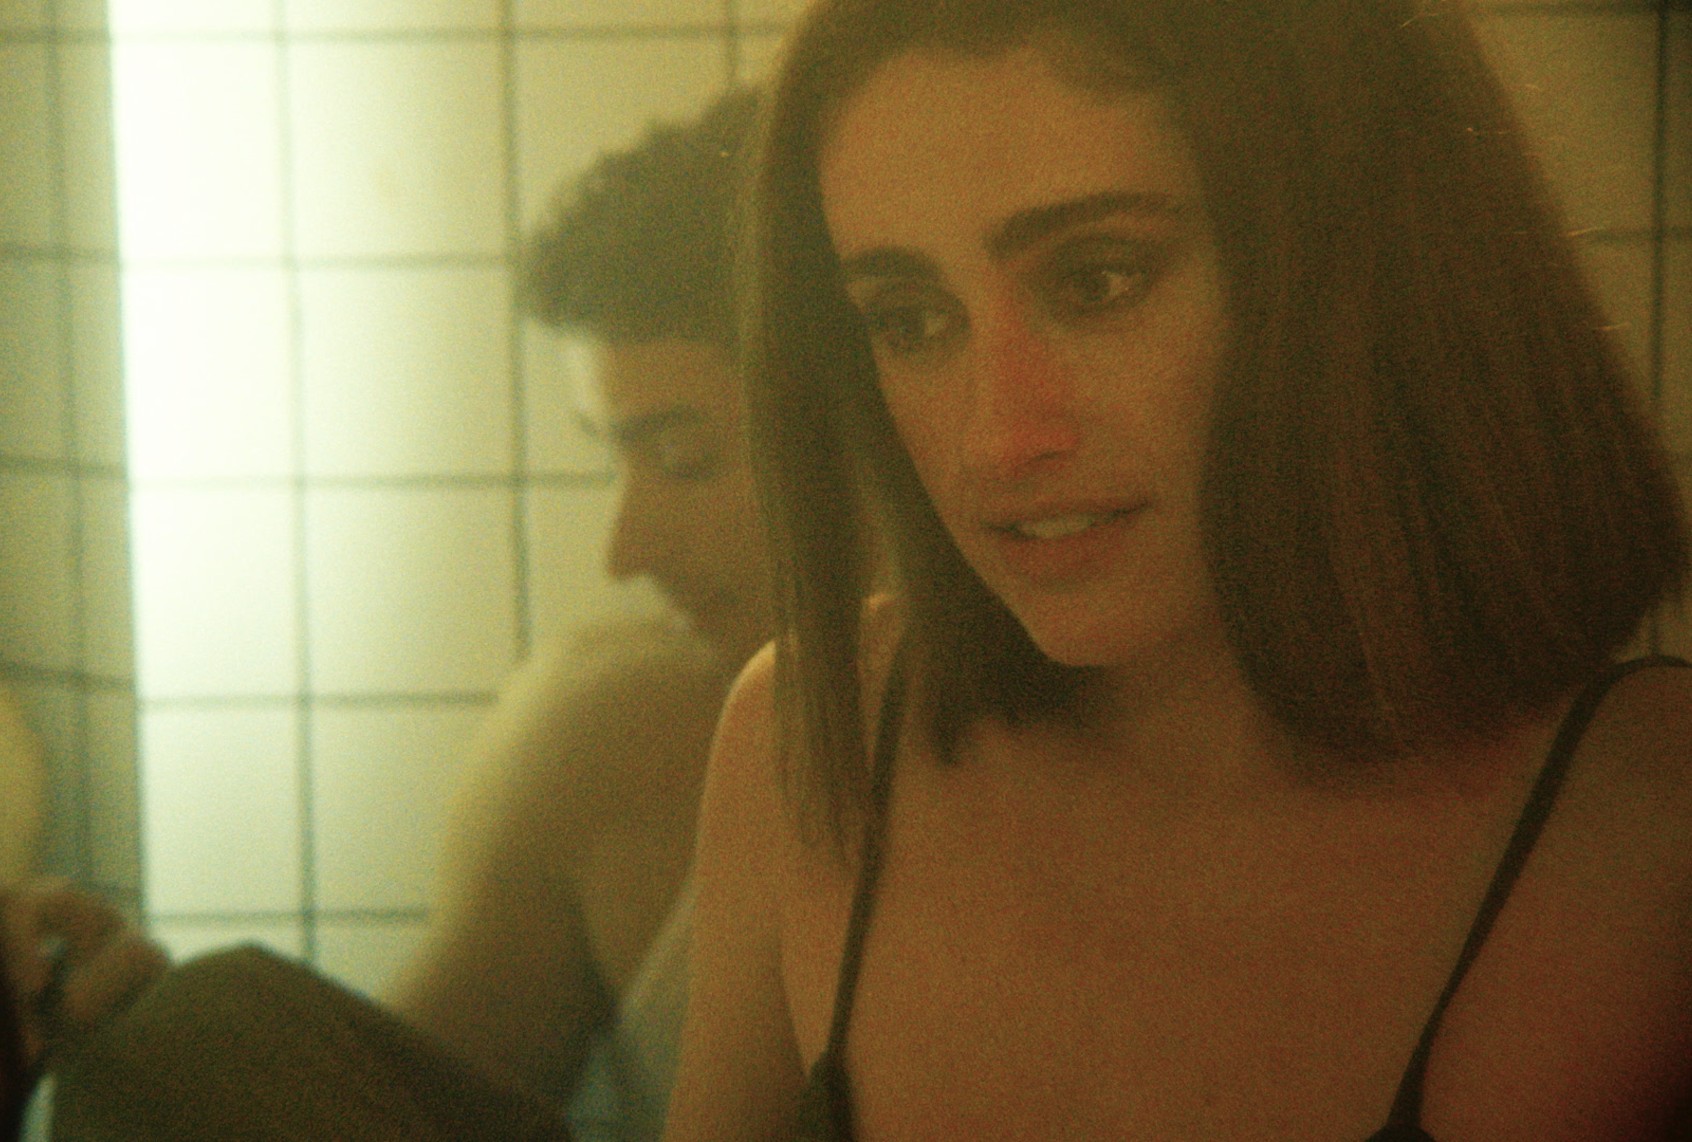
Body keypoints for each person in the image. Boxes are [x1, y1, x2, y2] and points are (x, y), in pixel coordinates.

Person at [662, 1, 1692, 1140]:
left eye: (1098, 280)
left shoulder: (1651, 832)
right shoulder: (821, 738)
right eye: (909, 319)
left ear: (1364, 270)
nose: (997, 439)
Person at [20, 87, 770, 1142]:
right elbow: (384, 1099)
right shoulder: (611, 740)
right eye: (612, 457)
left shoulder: (1020, 738)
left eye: (685, 457)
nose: (625, 550)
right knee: (192, 1033)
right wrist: (132, 1031)